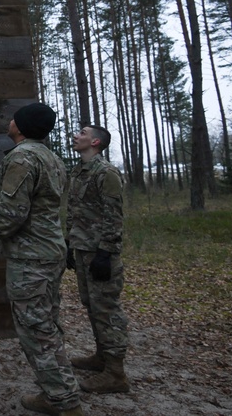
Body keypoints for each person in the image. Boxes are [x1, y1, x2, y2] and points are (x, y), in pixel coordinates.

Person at [0, 102, 84, 416]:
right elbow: (37, 205)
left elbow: (15, 215)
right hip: (49, 252)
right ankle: (59, 392)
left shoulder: (22, 157)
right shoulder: (51, 157)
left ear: (22, 125)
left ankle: (64, 402)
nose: (10, 120)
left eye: (15, 117)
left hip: (31, 258)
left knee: (36, 332)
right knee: (47, 326)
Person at [66, 125, 130, 394]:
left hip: (100, 253)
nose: (75, 135)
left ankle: (116, 374)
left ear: (95, 141)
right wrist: (70, 244)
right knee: (91, 305)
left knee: (106, 309)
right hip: (83, 249)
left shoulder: (107, 173)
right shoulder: (80, 171)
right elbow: (75, 211)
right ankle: (102, 357)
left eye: (82, 132)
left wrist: (105, 252)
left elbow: (113, 215)